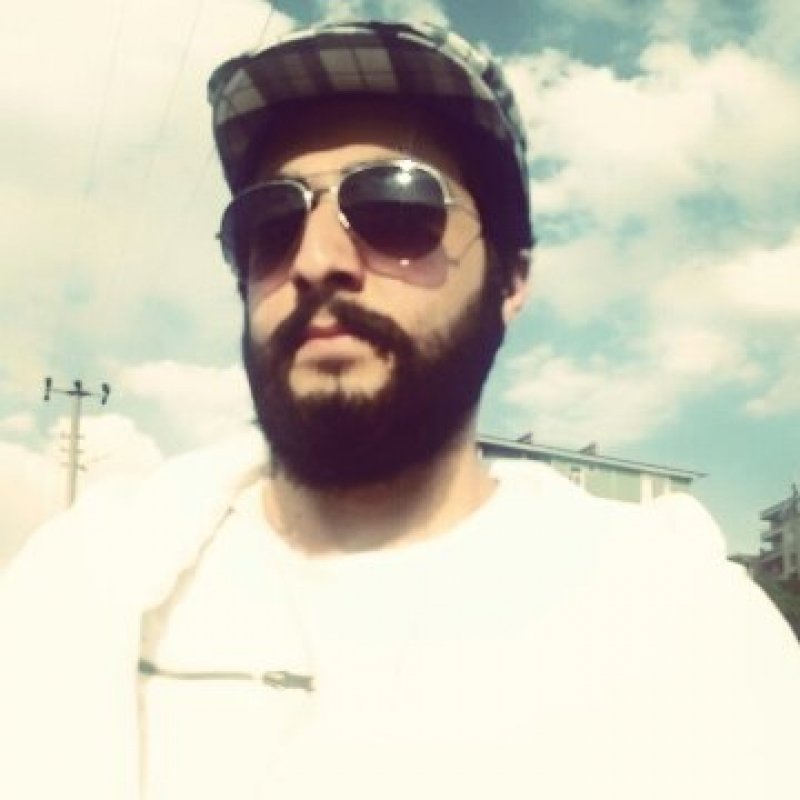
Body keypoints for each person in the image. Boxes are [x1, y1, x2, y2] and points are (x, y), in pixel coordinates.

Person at [1, 19, 799, 800]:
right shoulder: (75, 594)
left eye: (396, 205)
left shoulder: (681, 634)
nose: (316, 260)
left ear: (510, 280)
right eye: (270, 222)